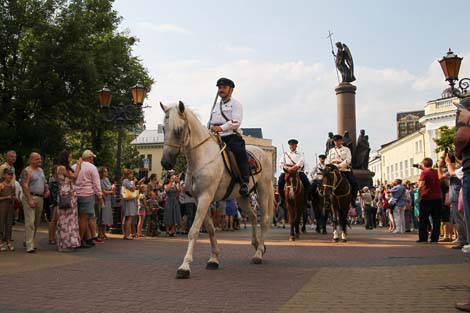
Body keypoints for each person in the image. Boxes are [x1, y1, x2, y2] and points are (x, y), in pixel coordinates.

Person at [208, 77, 250, 196]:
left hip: (230, 136)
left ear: (231, 90)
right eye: (219, 88)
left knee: (239, 152)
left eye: (224, 87)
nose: (221, 89)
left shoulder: (236, 104)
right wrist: (210, 127)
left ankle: (245, 182)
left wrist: (221, 128)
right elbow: (211, 122)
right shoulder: (215, 106)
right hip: (216, 137)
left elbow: (236, 122)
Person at [20, 153, 50, 253]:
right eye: (37, 159)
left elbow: (44, 181)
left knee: (36, 222)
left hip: (40, 198)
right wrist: (30, 199)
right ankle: (30, 245)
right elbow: (24, 185)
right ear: (31, 159)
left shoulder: (40, 170)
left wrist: (46, 190)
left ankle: (28, 240)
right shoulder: (27, 171)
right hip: (31, 197)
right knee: (30, 221)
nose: (39, 161)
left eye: (40, 159)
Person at [74, 150, 103, 248]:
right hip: (87, 195)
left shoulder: (74, 166)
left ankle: (85, 238)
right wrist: (99, 195)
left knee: (79, 218)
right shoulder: (92, 168)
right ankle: (80, 240)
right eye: (92, 157)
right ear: (90, 157)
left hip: (75, 194)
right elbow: (96, 183)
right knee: (84, 219)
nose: (92, 159)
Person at [56, 150, 82, 252]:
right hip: (65, 195)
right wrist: (79, 165)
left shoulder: (66, 168)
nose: (70, 159)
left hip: (70, 194)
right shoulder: (61, 168)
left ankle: (70, 242)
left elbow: (73, 179)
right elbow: (74, 175)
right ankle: (64, 244)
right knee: (65, 220)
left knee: (71, 219)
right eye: (69, 157)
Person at [326, 134, 358, 207]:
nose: (336, 142)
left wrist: (339, 166)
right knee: (325, 183)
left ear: (341, 141)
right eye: (335, 141)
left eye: (338, 141)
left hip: (344, 170)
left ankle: (353, 199)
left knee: (354, 183)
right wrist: (332, 166)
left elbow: (348, 160)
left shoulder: (346, 149)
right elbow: (327, 161)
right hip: (333, 170)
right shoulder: (331, 151)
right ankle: (327, 200)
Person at [278, 139, 310, 206]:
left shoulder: (301, 153)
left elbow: (301, 162)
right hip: (287, 171)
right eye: (290, 145)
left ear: (296, 146)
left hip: (297, 171)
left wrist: (294, 168)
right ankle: (282, 199)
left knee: (307, 183)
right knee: (280, 182)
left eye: (293, 145)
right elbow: (281, 164)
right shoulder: (285, 154)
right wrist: (287, 168)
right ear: (289, 146)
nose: (292, 146)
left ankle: (306, 200)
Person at [417, 158, 442, 243]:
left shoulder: (424, 173)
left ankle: (423, 237)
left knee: (423, 219)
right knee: (436, 219)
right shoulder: (436, 172)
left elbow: (421, 186)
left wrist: (419, 197)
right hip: (438, 197)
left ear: (423, 165)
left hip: (426, 197)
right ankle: (435, 238)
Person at [0, 168, 16, 251]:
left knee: (9, 224)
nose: (10, 176)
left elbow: (14, 196)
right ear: (4, 175)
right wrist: (6, 197)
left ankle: (9, 241)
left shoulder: (13, 186)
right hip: (2, 206)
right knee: (1, 223)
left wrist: (15, 198)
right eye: (9, 174)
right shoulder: (1, 185)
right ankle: (0, 242)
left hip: (10, 206)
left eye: (11, 174)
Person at [121, 169, 138, 240]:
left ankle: (126, 234)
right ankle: (128, 234)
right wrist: (134, 182)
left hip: (129, 201)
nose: (132, 175)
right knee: (129, 218)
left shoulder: (126, 181)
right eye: (131, 174)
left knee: (127, 218)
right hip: (129, 202)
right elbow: (133, 189)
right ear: (128, 174)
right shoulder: (126, 181)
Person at [98, 167, 114, 240]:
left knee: (106, 217)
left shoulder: (107, 179)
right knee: (102, 216)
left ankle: (104, 232)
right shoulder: (100, 180)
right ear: (102, 172)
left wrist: (109, 191)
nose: (107, 172)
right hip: (103, 199)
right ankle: (100, 233)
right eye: (105, 171)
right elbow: (103, 191)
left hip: (108, 199)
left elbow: (110, 188)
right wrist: (110, 192)